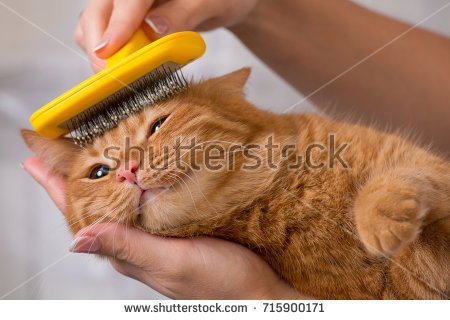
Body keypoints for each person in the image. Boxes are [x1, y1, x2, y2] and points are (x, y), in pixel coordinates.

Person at [23, 0, 450, 299]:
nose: (129, 170)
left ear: (230, 100)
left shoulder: (314, 144)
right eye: (98, 172)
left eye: (157, 126)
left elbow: (415, 171)